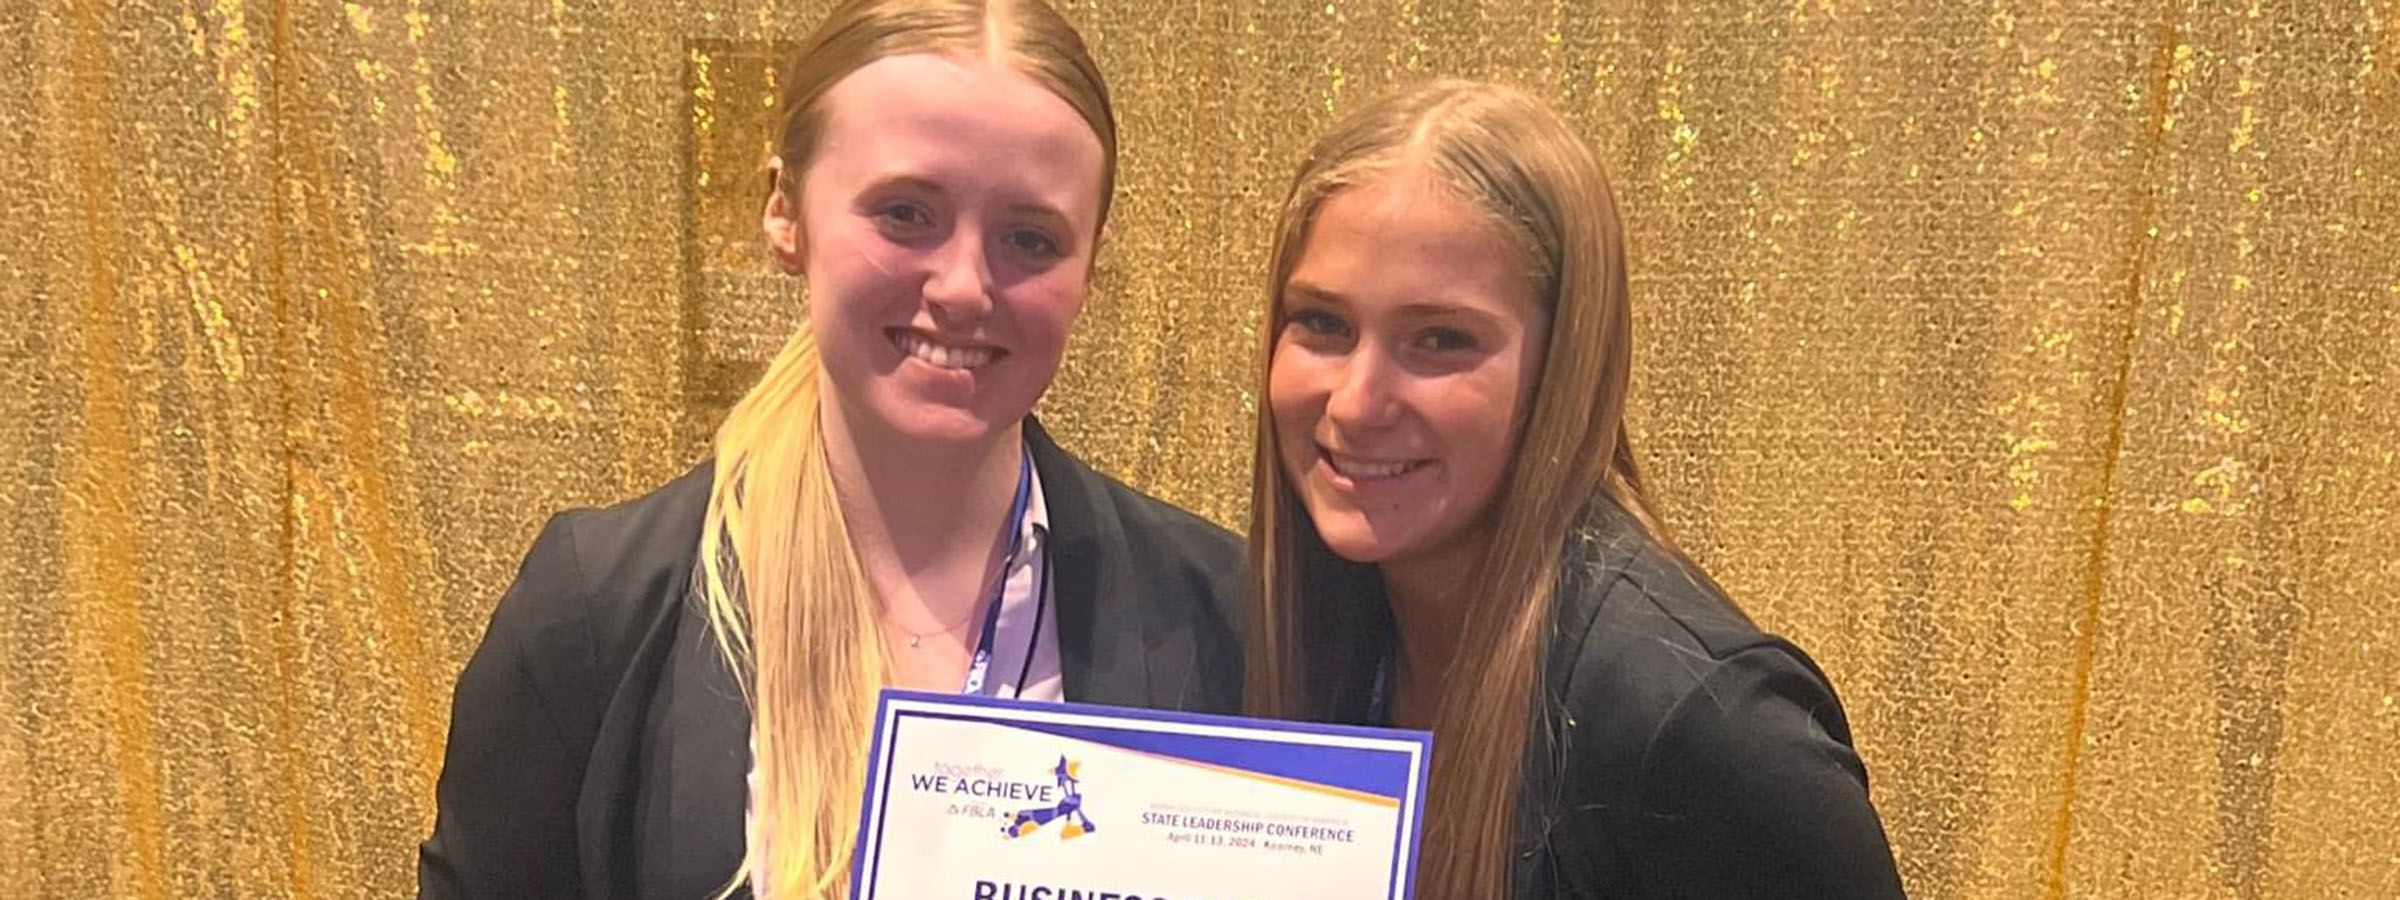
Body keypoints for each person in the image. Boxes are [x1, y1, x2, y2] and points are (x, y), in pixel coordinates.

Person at [417, 2, 1243, 897]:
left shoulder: (1222, 614)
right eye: (905, 213)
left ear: (1090, 266)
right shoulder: (596, 611)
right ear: (784, 210)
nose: (964, 286)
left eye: (1030, 239)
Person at [1244, 78, 1908, 899]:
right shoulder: (1306, 623)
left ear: (1564, 371)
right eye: (1322, 323)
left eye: (1441, 339)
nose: (1355, 403)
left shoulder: (1705, 730)